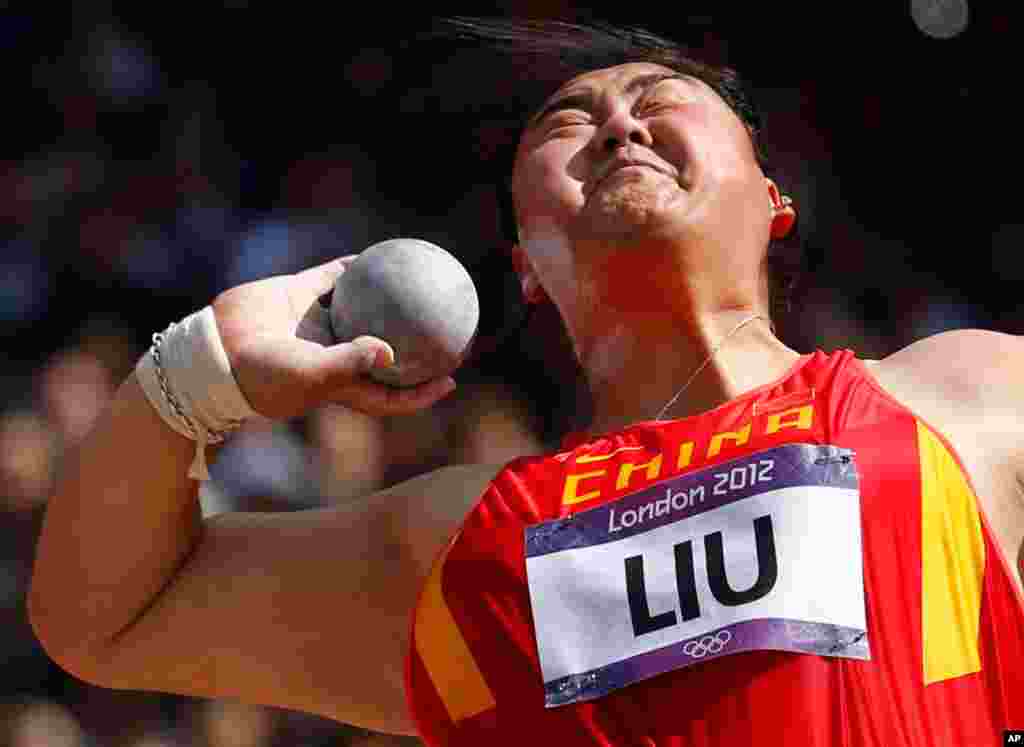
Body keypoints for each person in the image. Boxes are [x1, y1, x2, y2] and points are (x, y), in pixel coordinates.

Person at [29, 19, 1023, 746]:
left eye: (660, 101)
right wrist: (201, 370)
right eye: (569, 120)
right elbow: (109, 615)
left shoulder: (966, 397)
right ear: (522, 266)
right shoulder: (462, 545)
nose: (618, 126)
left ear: (772, 197)